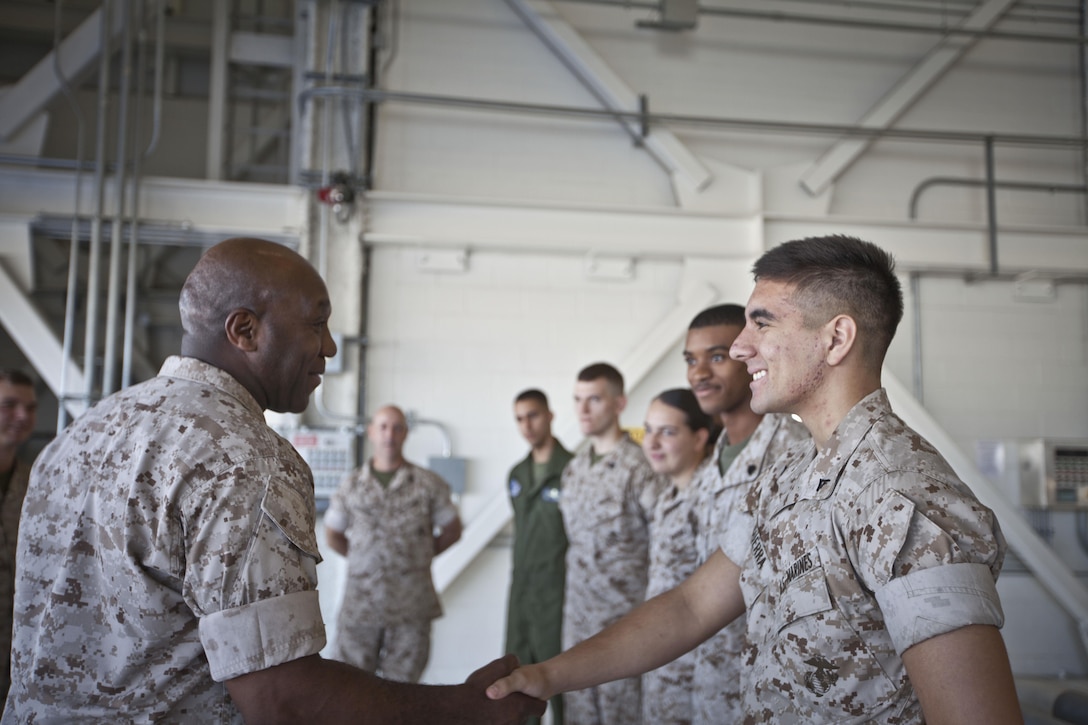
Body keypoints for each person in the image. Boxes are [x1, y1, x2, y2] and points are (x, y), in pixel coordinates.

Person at [4, 237, 544, 724]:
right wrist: (462, 710)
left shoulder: (80, 434)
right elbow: (283, 698)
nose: (330, 347)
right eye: (315, 322)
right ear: (244, 330)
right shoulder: (244, 458)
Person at [488, 234, 1021, 724]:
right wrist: (547, 676)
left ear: (836, 339)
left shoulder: (904, 495)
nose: (741, 348)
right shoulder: (786, 473)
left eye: (761, 324)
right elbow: (691, 607)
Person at [683, 304, 808, 723]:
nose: (699, 373)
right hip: (703, 685)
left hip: (768, 694)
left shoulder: (795, 453)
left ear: (746, 354)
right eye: (691, 360)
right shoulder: (707, 464)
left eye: (716, 357)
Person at [559, 362, 666, 724]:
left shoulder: (640, 468)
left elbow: (665, 544)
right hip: (578, 623)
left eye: (594, 400)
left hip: (624, 626)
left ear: (619, 404)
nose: (583, 410)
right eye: (577, 400)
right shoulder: (574, 469)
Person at [325, 404, 463, 683]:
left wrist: (419, 556)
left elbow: (452, 529)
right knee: (350, 688)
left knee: (403, 692)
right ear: (372, 432)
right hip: (361, 608)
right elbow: (333, 535)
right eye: (384, 427)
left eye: (397, 427)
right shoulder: (350, 485)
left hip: (410, 608)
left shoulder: (428, 484)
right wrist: (363, 560)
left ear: (406, 434)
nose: (390, 435)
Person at [639, 388, 714, 725]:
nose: (652, 443)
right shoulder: (667, 494)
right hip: (662, 665)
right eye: (648, 430)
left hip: (699, 680)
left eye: (667, 432)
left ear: (699, 438)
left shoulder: (711, 500)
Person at [505, 388, 574, 725]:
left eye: (533, 415)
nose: (527, 425)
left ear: (549, 416)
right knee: (517, 678)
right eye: (520, 419)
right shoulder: (517, 475)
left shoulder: (572, 471)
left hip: (559, 591)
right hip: (522, 591)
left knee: (561, 678)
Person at [0, 369, 37, 701]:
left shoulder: (34, 482)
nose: (22, 417)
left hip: (14, 652)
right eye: (9, 405)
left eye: (30, 407)